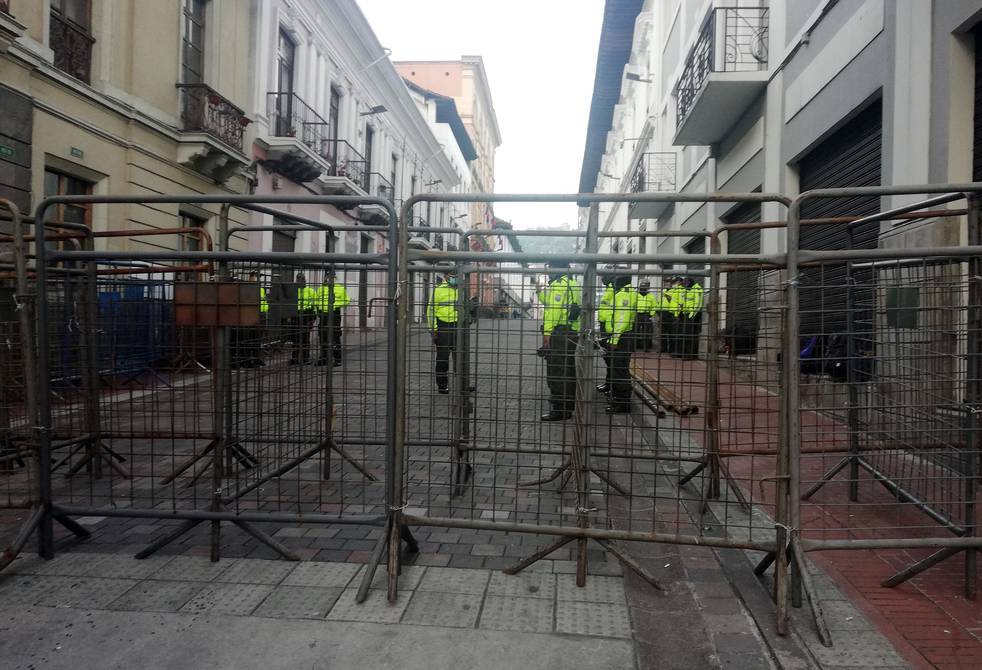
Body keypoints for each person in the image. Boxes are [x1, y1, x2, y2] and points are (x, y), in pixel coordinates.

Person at [538, 261, 581, 421]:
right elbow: (553, 303)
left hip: (560, 334)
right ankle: (568, 405)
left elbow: (552, 313)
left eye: (550, 268)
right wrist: (539, 292)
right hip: (571, 332)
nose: (548, 271)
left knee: (556, 370)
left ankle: (560, 408)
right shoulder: (573, 283)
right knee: (568, 370)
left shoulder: (558, 285)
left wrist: (546, 339)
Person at [606, 274, 638, 414]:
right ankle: (619, 400)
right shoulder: (629, 293)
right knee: (620, 369)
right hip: (624, 337)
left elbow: (621, 320)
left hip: (621, 338)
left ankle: (622, 404)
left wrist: (614, 339)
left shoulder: (623, 295)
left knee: (619, 371)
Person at [427, 269, 459, 394]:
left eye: (457, 275)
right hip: (443, 325)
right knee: (443, 357)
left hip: (459, 326)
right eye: (452, 276)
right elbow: (431, 310)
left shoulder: (461, 289)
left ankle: (463, 384)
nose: (455, 278)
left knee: (461, 356)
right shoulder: (438, 290)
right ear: (446, 277)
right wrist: (433, 330)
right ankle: (442, 385)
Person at [315, 269, 351, 367]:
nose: (328, 279)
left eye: (330, 277)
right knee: (322, 335)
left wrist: (334, 305)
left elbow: (347, 300)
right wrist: (317, 310)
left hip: (334, 314)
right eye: (327, 277)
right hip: (323, 315)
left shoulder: (339, 288)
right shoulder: (321, 289)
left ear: (334, 277)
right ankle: (324, 357)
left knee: (335, 335)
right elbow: (316, 300)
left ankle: (337, 358)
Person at [595, 266, 616, 395]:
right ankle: (609, 384)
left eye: (604, 275)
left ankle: (613, 386)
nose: (602, 278)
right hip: (605, 328)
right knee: (608, 358)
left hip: (611, 330)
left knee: (612, 360)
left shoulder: (615, 289)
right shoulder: (609, 289)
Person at [289, 272, 317, 365]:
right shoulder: (293, 291)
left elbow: (315, 305)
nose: (300, 280)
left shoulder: (310, 291)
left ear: (305, 280)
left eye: (301, 279)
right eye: (298, 279)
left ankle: (305, 358)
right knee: (295, 338)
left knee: (305, 338)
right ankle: (295, 357)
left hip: (306, 315)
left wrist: (313, 317)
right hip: (295, 315)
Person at [681, 277, 705, 360]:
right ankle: (687, 353)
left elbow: (698, 304)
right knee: (686, 334)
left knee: (691, 335)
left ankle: (690, 355)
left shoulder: (697, 289)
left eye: (685, 283)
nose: (684, 285)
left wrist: (692, 314)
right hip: (686, 314)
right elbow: (683, 301)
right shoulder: (687, 290)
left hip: (694, 315)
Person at [665, 276, 686, 357]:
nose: (674, 283)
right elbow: (667, 295)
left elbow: (681, 303)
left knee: (677, 334)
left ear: (680, 282)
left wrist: (677, 313)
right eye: (673, 282)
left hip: (677, 315)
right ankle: (672, 351)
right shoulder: (675, 290)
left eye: (675, 282)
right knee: (672, 334)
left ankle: (678, 352)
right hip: (671, 313)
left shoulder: (681, 290)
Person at [636, 279, 655, 352]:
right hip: (637, 314)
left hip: (646, 315)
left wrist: (651, 314)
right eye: (642, 287)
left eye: (644, 288)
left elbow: (654, 306)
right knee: (635, 331)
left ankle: (645, 348)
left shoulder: (651, 296)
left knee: (646, 332)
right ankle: (635, 347)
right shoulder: (636, 295)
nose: (643, 289)